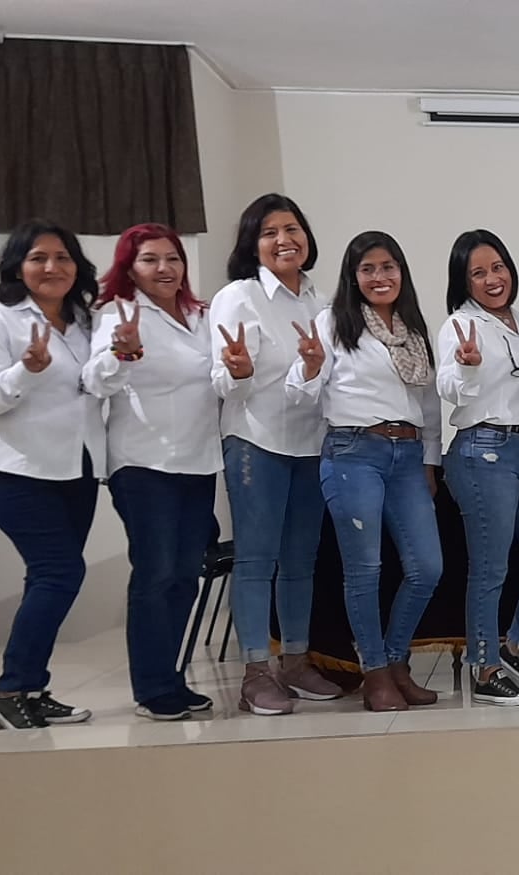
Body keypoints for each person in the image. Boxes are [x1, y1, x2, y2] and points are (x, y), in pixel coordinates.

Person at [287, 231, 443, 712]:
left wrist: (431, 461)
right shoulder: (332, 323)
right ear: (353, 277)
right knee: (365, 569)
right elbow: (299, 396)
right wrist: (310, 366)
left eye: (389, 267)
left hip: (407, 456)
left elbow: (429, 402)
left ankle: (396, 661)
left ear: (402, 273)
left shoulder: (414, 330)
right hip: (354, 452)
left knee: (427, 568)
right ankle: (374, 671)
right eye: (368, 269)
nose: (380, 277)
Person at [0, 220, 105, 729]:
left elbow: (93, 387)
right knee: (60, 572)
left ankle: (31, 686)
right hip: (17, 471)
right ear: (18, 267)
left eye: (63, 258)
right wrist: (26, 369)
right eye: (39, 258)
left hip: (77, 469)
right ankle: (11, 688)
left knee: (47, 577)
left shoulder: (84, 321)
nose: (52, 268)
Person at [210, 193, 344, 715]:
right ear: (253, 244)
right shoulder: (238, 297)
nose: (284, 240)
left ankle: (294, 660)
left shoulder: (322, 303)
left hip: (310, 444)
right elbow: (222, 381)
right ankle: (255, 671)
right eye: (270, 232)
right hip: (255, 441)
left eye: (292, 229)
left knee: (300, 562)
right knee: (255, 559)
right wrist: (239, 370)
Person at [82, 224, 220, 720]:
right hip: (143, 464)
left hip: (199, 460)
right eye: (149, 260)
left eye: (172, 258)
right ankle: (152, 686)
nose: (164, 268)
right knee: (157, 572)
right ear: (129, 267)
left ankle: (173, 678)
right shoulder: (117, 313)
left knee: (185, 576)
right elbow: (94, 381)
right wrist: (123, 351)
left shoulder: (200, 315)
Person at [437, 230, 519, 707]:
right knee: (490, 567)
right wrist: (467, 365)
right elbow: (450, 386)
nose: (492, 279)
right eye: (478, 273)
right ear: (463, 281)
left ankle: (517, 645)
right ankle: (485, 666)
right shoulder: (459, 326)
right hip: (481, 452)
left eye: (498, 267)